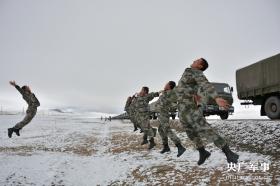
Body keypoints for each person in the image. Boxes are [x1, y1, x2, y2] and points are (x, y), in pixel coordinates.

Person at [175, 58, 239, 165]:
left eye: (197, 60)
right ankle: (203, 152)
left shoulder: (196, 72)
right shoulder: (188, 72)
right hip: (182, 110)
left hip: (190, 109)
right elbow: (188, 87)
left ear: (200, 66)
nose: (194, 60)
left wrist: (216, 98)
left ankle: (228, 152)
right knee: (191, 133)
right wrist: (195, 94)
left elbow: (205, 84)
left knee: (205, 129)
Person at [154, 81, 186, 157]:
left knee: (167, 130)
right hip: (160, 114)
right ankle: (166, 147)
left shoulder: (171, 93)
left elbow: (174, 103)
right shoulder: (165, 93)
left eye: (166, 84)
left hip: (164, 114)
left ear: (169, 86)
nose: (164, 85)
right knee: (161, 130)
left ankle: (180, 147)